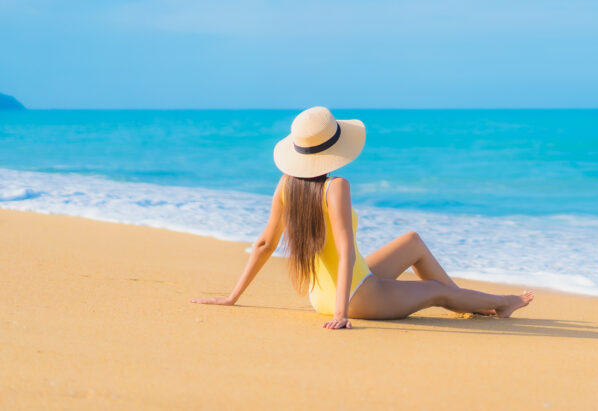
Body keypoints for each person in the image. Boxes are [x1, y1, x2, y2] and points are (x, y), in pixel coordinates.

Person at [191, 106, 534, 329]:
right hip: (354, 296)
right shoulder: (336, 186)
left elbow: (265, 243)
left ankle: (467, 303)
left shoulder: (286, 185)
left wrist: (232, 296)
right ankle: (502, 303)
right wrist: (341, 314)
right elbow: (345, 251)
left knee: (412, 241)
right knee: (435, 291)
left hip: (322, 294)